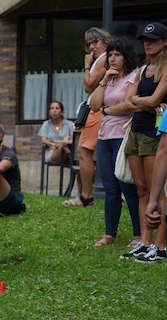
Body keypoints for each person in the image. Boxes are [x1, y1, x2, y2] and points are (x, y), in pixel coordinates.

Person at [87, 36, 141, 250]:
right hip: (104, 138)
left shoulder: (133, 78)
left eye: (116, 55)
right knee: (110, 189)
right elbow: (93, 105)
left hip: (123, 136)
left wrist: (107, 110)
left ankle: (138, 234)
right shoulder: (108, 79)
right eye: (109, 55)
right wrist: (102, 81)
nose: (111, 59)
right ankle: (110, 233)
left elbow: (128, 105)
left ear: (126, 56)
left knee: (128, 187)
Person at [131, 22, 167, 262]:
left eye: (153, 39)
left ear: (165, 42)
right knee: (142, 189)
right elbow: (129, 98)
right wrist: (146, 102)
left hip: (157, 133)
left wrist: (140, 100)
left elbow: (154, 98)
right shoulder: (142, 69)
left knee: (159, 190)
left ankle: (159, 245)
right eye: (145, 39)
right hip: (137, 129)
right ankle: (145, 244)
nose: (148, 42)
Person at [65, 28, 111, 207]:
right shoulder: (107, 58)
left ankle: (86, 196)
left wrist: (86, 65)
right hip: (101, 109)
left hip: (98, 110)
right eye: (89, 44)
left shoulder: (103, 59)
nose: (92, 47)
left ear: (105, 41)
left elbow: (88, 86)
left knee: (84, 152)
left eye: (96, 42)